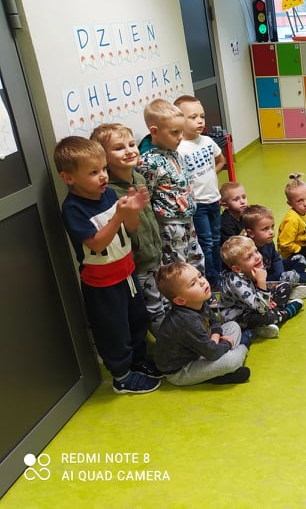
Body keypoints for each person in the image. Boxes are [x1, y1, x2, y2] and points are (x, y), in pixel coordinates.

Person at [54, 136, 161, 394]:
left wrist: (132, 212)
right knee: (114, 329)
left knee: (137, 319)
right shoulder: (73, 209)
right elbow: (96, 244)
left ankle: (137, 361)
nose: (103, 175)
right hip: (102, 283)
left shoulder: (110, 194)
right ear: (68, 178)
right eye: (93, 172)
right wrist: (119, 215)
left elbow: (130, 228)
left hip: (127, 272)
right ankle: (121, 376)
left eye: (103, 169)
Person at [91, 123, 166, 336]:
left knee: (166, 299)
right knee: (154, 310)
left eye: (132, 144)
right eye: (119, 148)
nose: (129, 150)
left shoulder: (139, 178)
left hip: (156, 253)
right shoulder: (109, 192)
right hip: (139, 262)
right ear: (103, 158)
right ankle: (168, 346)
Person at [136, 98, 205, 278]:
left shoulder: (173, 151)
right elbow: (146, 199)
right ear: (154, 131)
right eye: (175, 132)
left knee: (196, 260)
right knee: (179, 270)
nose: (180, 137)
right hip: (170, 226)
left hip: (187, 220)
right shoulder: (148, 162)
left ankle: (199, 291)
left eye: (181, 131)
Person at [154, 262, 251, 385]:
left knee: (233, 326)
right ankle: (243, 345)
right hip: (182, 371)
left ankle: (216, 373)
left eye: (199, 276)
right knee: (232, 361)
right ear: (180, 300)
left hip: (203, 350)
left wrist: (215, 339)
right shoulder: (186, 321)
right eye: (193, 284)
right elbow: (212, 353)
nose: (202, 282)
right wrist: (227, 344)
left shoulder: (198, 301)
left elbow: (214, 321)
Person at [174, 95, 225, 295]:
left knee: (217, 238)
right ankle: (212, 280)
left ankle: (220, 273)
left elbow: (220, 160)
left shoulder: (207, 141)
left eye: (202, 116)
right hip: (198, 205)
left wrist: (210, 175)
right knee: (207, 242)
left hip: (214, 199)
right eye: (193, 117)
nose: (200, 121)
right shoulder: (179, 148)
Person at [219, 235, 305, 338]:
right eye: (249, 257)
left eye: (256, 251)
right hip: (239, 317)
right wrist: (261, 282)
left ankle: (269, 319)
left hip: (254, 304)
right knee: (259, 317)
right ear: (237, 269)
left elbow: (257, 293)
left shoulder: (252, 268)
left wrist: (268, 299)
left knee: (285, 286)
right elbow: (261, 308)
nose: (257, 257)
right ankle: (285, 313)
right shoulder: (236, 283)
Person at [242, 204, 306, 292]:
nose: (271, 232)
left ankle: (294, 280)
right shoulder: (247, 250)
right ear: (251, 233)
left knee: (299, 258)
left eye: (272, 227)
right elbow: (253, 277)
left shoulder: (267, 241)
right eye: (265, 229)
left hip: (274, 271)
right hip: (264, 280)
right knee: (286, 277)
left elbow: (276, 258)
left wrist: (281, 273)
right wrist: (280, 276)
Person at [219, 181, 248, 246]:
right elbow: (232, 246)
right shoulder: (225, 223)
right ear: (225, 205)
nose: (242, 202)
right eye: (236, 199)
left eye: (244, 197)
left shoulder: (246, 215)